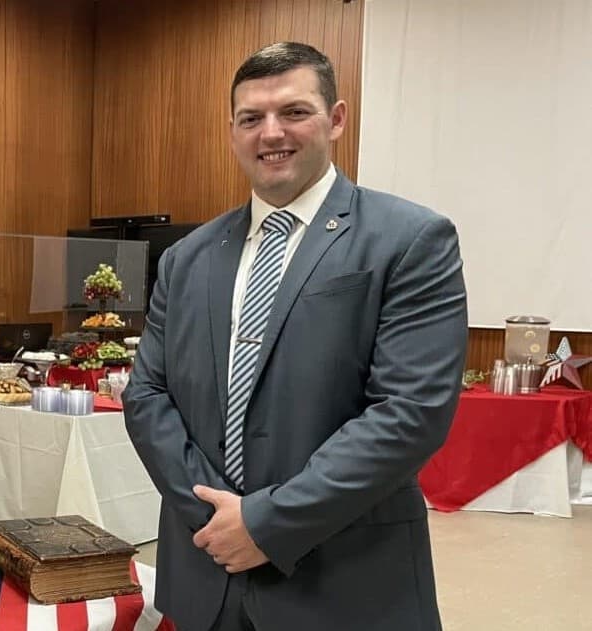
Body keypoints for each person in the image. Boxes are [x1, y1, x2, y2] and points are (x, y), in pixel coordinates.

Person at [123, 41, 468, 631]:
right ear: (232, 132)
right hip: (206, 575)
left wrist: (265, 523)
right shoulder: (185, 259)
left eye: (294, 112)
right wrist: (217, 520)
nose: (271, 133)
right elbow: (147, 395)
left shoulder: (411, 240)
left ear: (336, 119)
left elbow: (410, 412)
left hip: (343, 584)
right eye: (250, 118)